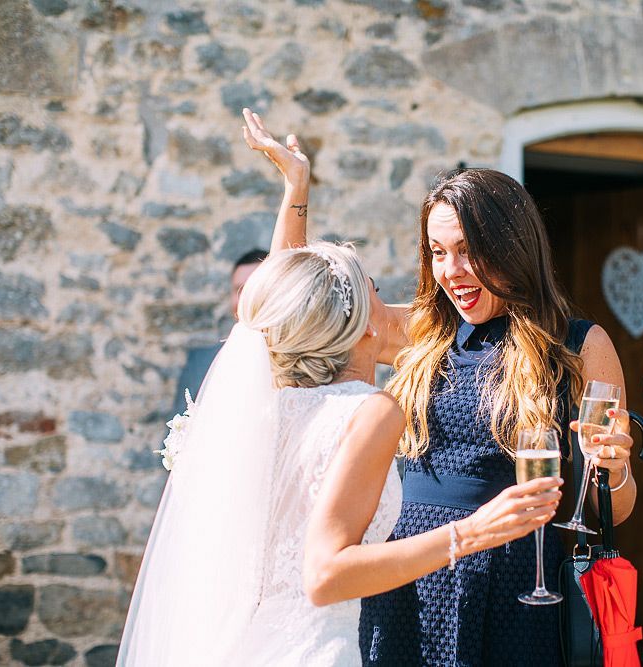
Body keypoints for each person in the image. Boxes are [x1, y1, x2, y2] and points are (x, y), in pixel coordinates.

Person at [118, 157, 562, 666]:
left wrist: (297, 191)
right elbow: (326, 573)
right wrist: (475, 530)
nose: (391, 304)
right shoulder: (369, 411)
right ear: (365, 325)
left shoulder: (278, 409)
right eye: (373, 290)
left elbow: (280, 302)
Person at [241, 109, 637, 666]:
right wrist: (296, 188)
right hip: (407, 577)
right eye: (438, 251)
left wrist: (614, 471)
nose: (451, 270)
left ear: (513, 248)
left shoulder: (579, 343)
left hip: (520, 584)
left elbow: (612, 511)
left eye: (469, 251)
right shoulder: (425, 331)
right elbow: (293, 307)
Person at [169, 248, 269, 419]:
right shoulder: (200, 362)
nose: (245, 299)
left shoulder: (300, 362)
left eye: (254, 288)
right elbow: (175, 437)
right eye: (239, 289)